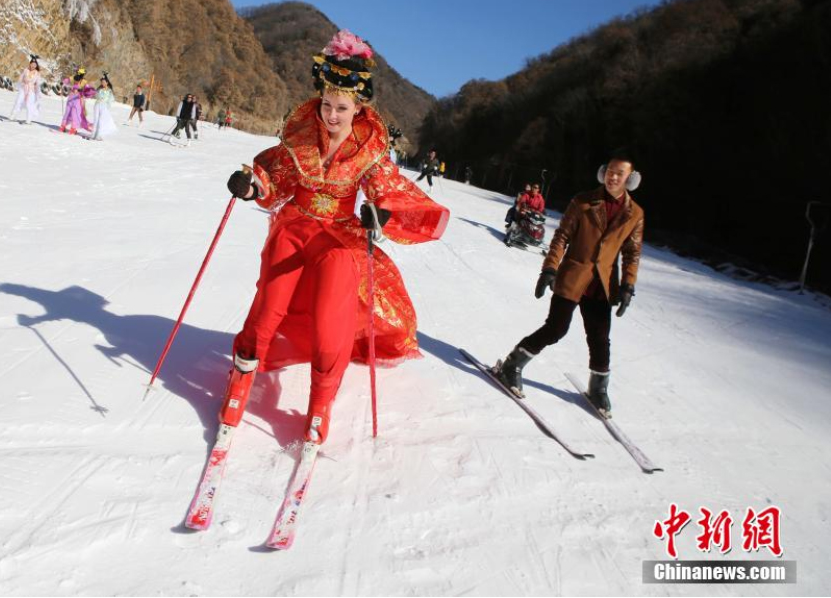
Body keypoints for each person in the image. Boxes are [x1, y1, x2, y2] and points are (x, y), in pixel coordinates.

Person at [219, 29, 450, 444]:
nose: (331, 115)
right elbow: (275, 174)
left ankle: (321, 403)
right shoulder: (303, 133)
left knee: (332, 322)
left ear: (358, 106)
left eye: (341, 107)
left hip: (340, 238)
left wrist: (381, 213)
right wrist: (252, 184)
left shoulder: (370, 148)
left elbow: (392, 193)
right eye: (326, 104)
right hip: (294, 226)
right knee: (267, 308)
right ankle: (239, 382)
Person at [491, 152, 644, 417]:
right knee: (556, 328)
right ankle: (511, 365)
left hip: (603, 284)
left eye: (620, 173)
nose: (613, 177)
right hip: (574, 275)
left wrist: (628, 286)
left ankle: (598, 388)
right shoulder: (583, 201)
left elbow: (632, 253)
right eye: (610, 171)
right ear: (603, 172)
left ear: (630, 179)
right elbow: (562, 236)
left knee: (599, 338)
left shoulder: (635, 213)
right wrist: (550, 268)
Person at [60, 67, 94, 135]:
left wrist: (83, 90)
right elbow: (67, 80)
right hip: (73, 99)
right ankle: (66, 127)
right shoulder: (74, 78)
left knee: (73, 113)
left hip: (76, 99)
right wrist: (62, 83)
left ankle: (70, 127)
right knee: (70, 113)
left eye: (82, 73)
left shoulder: (83, 81)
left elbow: (89, 90)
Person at [9, 55, 43, 124]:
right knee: (18, 101)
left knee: (29, 104)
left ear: (36, 66)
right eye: (32, 64)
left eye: (35, 65)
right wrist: (22, 82)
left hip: (31, 90)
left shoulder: (37, 73)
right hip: (23, 88)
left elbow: (38, 83)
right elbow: (20, 79)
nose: (33, 66)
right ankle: (12, 116)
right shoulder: (25, 70)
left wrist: (38, 91)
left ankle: (28, 120)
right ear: (30, 64)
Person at [91, 74, 117, 141]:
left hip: (104, 106)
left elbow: (111, 99)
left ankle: (98, 135)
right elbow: (96, 96)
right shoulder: (99, 89)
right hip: (97, 105)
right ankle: (93, 135)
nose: (102, 83)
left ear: (107, 82)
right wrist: (97, 95)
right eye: (102, 82)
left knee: (101, 121)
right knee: (96, 120)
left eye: (104, 82)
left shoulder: (109, 91)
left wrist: (107, 105)